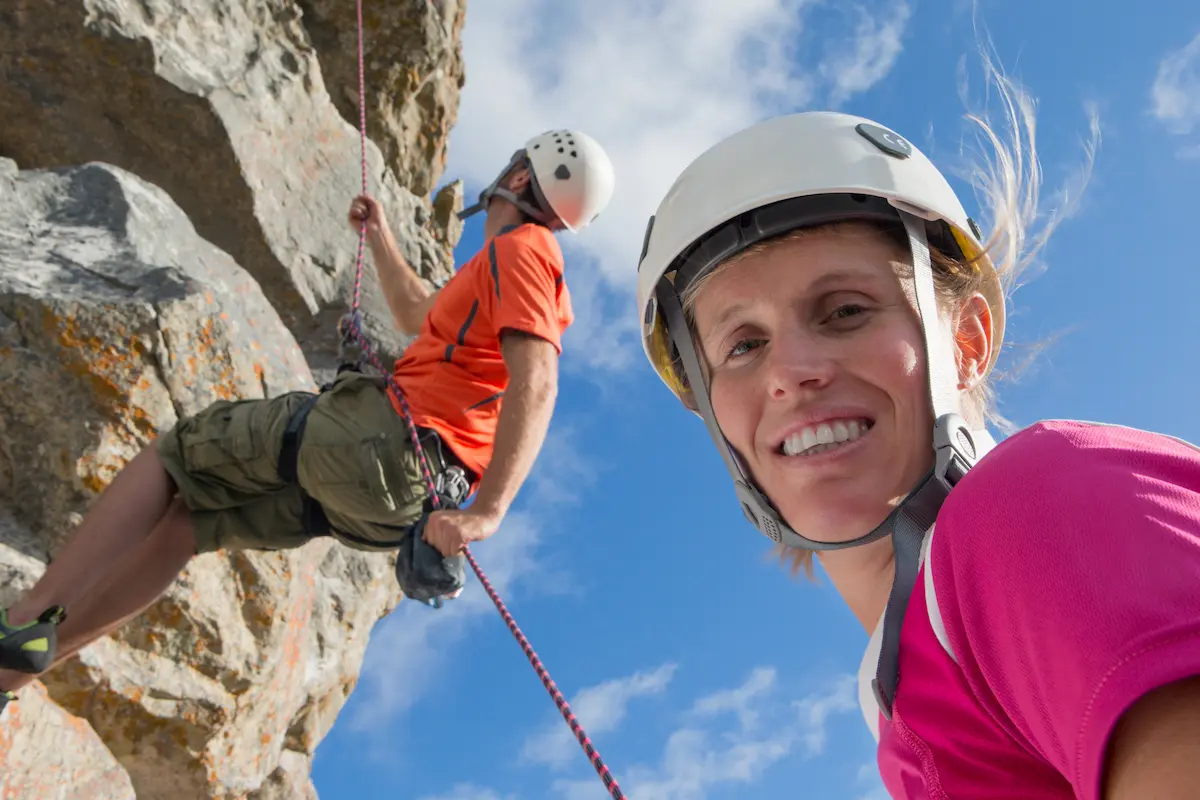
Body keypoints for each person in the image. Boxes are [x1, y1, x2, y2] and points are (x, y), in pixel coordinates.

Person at [635, 72, 1200, 799]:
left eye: (844, 310)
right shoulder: (902, 692)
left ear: (965, 341)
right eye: (742, 346)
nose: (792, 373)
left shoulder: (1031, 506)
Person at [0, 128, 615, 715]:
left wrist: (491, 512)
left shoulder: (524, 251)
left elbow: (538, 378)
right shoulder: (493, 270)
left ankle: (27, 616)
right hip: (394, 505)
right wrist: (379, 235)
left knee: (174, 458)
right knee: (187, 527)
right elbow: (410, 311)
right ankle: (15, 673)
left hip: (382, 441)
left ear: (517, 175)